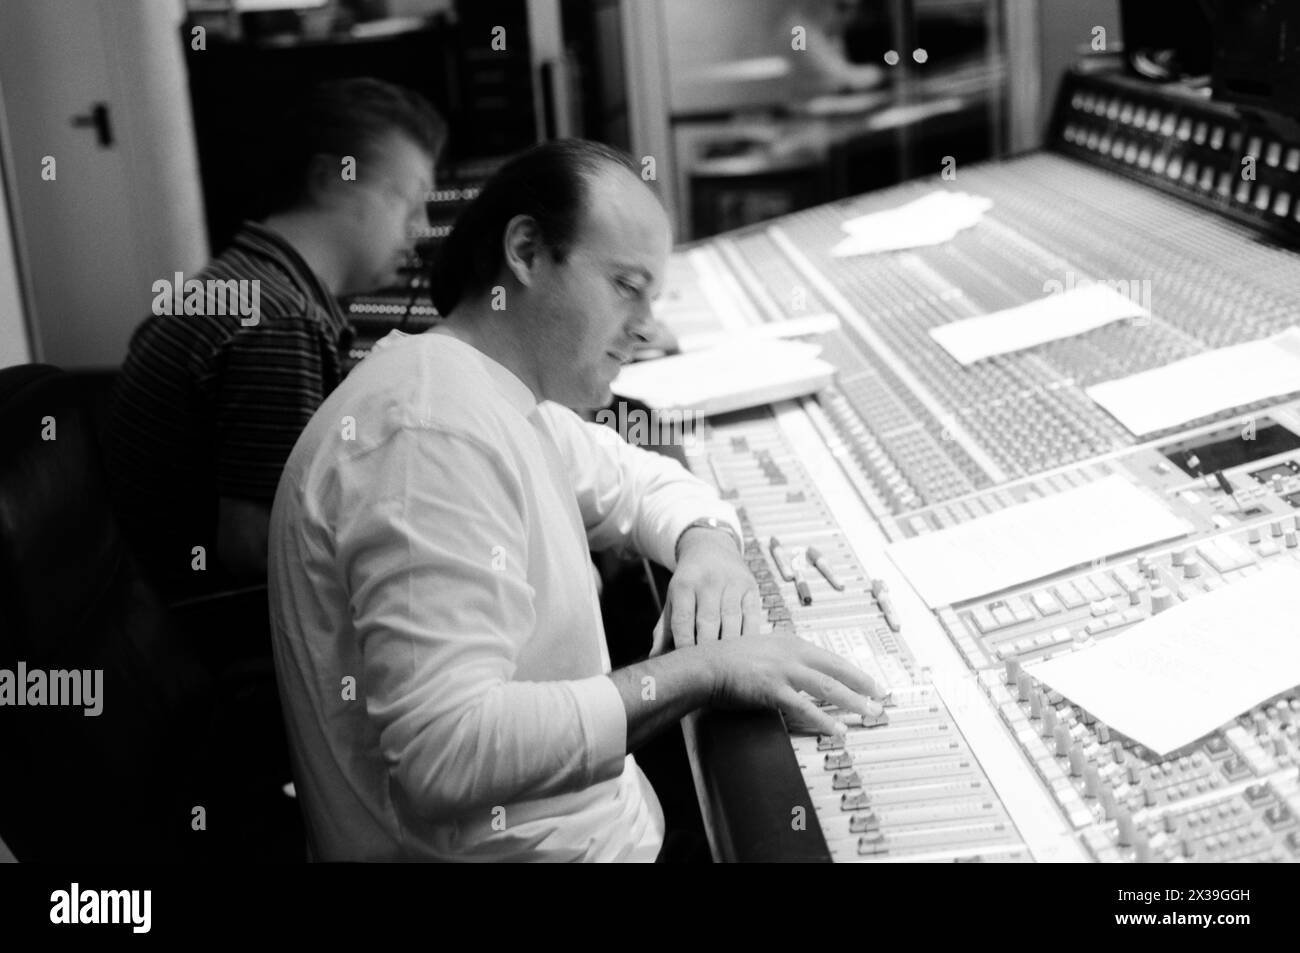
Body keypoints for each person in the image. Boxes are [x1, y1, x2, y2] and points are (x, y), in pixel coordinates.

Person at [268, 139, 884, 862]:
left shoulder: (493, 395)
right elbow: (446, 753)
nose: (648, 325)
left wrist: (708, 546)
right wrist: (704, 670)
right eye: (626, 286)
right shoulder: (427, 434)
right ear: (526, 251)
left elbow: (648, 481)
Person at [107, 78, 445, 601]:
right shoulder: (278, 322)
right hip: (214, 632)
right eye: (409, 201)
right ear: (329, 180)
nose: (420, 228)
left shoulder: (245, 281)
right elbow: (256, 547)